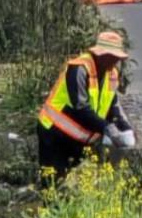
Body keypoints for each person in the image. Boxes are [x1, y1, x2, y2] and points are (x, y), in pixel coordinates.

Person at [37, 30, 134, 182]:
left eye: (117, 58)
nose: (115, 61)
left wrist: (125, 128)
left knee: (72, 183)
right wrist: (106, 128)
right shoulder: (79, 69)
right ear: (101, 55)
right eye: (112, 57)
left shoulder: (111, 74)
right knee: (53, 182)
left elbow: (112, 105)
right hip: (55, 133)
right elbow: (80, 107)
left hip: (79, 137)